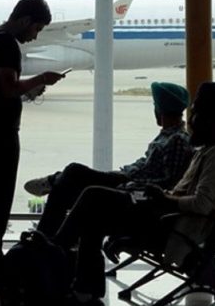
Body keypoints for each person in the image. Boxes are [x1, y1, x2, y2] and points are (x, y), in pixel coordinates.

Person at [50, 82, 215, 304]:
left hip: (171, 227)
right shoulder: (211, 149)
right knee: (94, 209)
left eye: (195, 114)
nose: (191, 121)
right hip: (168, 219)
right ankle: (83, 289)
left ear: (208, 120)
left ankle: (52, 255)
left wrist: (164, 198)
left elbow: (203, 204)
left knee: (93, 196)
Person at [0, 0, 67, 292]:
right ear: (24, 21)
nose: (35, 36)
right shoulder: (6, 44)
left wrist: (28, 90)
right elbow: (8, 88)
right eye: (36, 29)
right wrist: (41, 79)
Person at [27, 81, 193, 237]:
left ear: (159, 110)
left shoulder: (177, 140)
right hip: (127, 178)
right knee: (65, 188)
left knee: (73, 172)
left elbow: (168, 181)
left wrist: (130, 181)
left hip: (132, 186)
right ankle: (47, 240)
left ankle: (52, 189)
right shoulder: (168, 136)